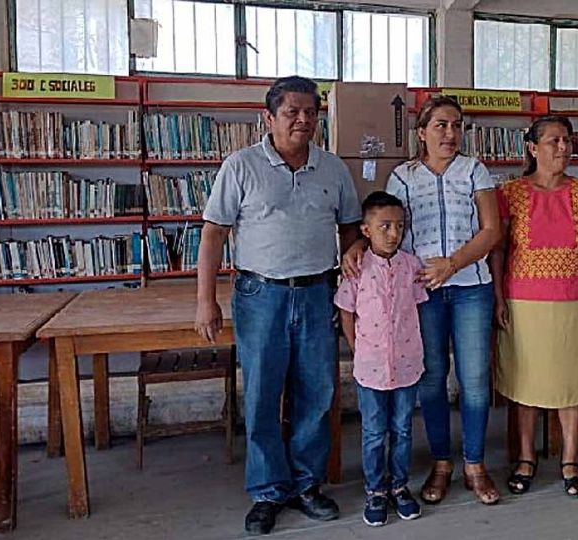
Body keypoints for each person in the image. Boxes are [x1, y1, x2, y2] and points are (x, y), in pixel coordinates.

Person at [195, 75, 361, 536]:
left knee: (316, 393)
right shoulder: (241, 165)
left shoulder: (332, 169)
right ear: (268, 118)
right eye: (292, 112)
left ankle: (307, 485)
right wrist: (205, 300)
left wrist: (351, 259)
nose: (303, 120)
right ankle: (269, 490)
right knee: (264, 395)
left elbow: (350, 226)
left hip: (316, 294)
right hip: (260, 295)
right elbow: (213, 233)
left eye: (310, 112)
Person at [343, 96, 502, 505]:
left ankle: (475, 464)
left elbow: (491, 231)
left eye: (456, 125)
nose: (450, 133)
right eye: (440, 126)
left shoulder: (474, 171)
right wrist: (358, 245)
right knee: (430, 380)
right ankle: (441, 462)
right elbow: (385, 223)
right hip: (421, 292)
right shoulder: (404, 176)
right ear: (422, 132)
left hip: (470, 287)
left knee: (474, 381)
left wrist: (453, 264)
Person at [490, 115, 578, 499]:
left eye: (566, 140)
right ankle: (527, 457)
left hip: (575, 302)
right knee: (526, 382)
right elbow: (498, 251)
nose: (563, 147)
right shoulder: (510, 193)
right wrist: (498, 298)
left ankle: (570, 460)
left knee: (572, 383)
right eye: (553, 141)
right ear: (532, 148)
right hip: (523, 304)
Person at [335, 191, 429, 527]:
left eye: (399, 226)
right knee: (374, 432)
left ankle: (399, 486)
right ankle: (375, 490)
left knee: (402, 429)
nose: (393, 233)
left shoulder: (411, 266)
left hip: (406, 364)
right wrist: (356, 347)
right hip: (370, 367)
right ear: (365, 230)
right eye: (384, 226)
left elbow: (418, 305)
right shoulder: (357, 268)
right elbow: (346, 311)